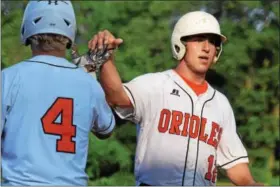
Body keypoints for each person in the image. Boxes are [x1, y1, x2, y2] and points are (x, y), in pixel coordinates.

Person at [87, 11, 263, 186]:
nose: (206, 48)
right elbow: (116, 97)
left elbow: (235, 164)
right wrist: (106, 58)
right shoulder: (156, 85)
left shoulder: (221, 103)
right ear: (181, 43)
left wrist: (251, 184)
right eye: (199, 39)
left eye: (213, 42)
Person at [1, 0, 115, 186]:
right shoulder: (87, 83)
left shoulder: (8, 78)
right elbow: (105, 129)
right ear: (69, 35)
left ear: (28, 30)